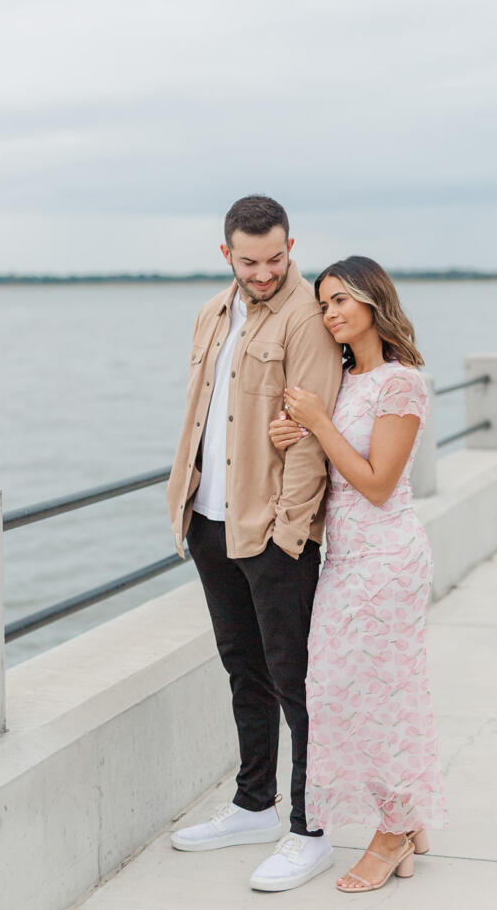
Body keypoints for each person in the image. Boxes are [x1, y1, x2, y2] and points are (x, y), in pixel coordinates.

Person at [166, 196, 343, 892]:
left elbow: (309, 434)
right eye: (250, 261)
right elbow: (199, 410)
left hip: (272, 529)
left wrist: (288, 531)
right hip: (209, 517)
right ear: (226, 254)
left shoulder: (306, 318)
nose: (264, 272)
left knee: (298, 681)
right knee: (243, 667)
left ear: (290, 246)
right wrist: (185, 497)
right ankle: (251, 805)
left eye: (276, 258)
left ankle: (311, 828)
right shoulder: (213, 311)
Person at [269, 255, 447, 893]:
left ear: (375, 300)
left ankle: (392, 832)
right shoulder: (344, 381)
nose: (330, 313)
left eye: (341, 300)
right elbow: (332, 454)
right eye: (323, 304)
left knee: (380, 697)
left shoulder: (401, 383)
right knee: (342, 693)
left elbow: (375, 483)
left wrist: (318, 422)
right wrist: (295, 430)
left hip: (387, 558)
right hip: (343, 558)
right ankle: (406, 815)